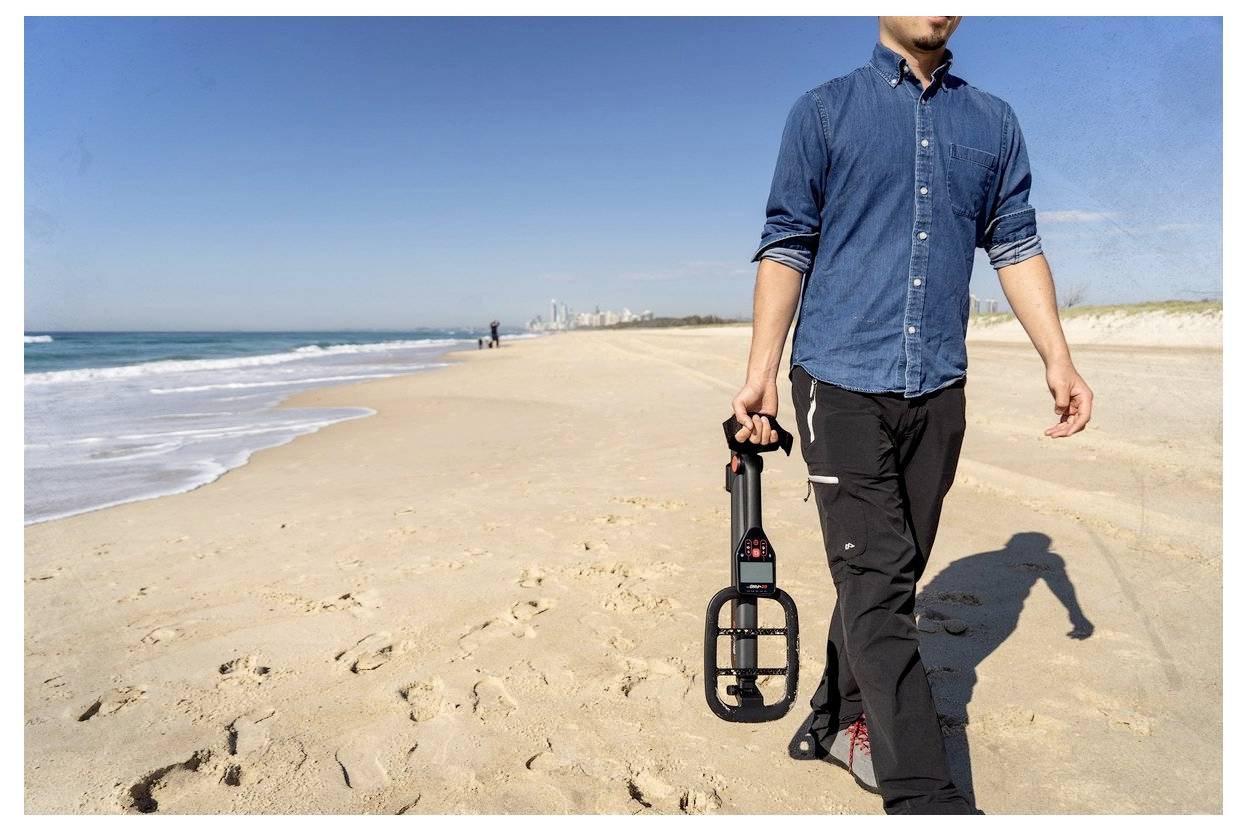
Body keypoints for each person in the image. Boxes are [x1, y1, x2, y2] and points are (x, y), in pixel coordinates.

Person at [731, 16, 1093, 815]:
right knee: (878, 580)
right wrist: (758, 374)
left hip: (938, 386)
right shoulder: (823, 111)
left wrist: (1056, 358)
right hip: (839, 380)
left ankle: (832, 718)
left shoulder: (991, 121)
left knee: (888, 571)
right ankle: (923, 792)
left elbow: (1015, 242)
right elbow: (787, 242)